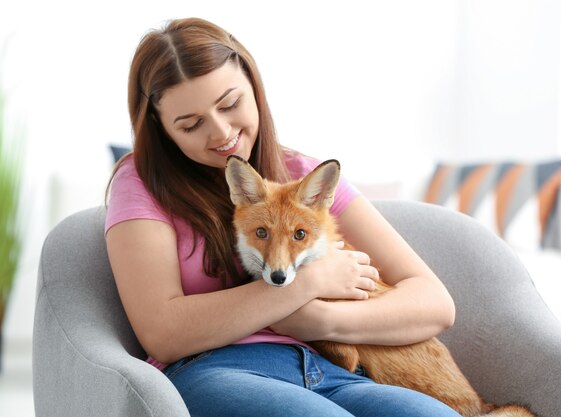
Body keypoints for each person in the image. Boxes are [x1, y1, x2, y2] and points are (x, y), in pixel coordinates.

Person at [105, 17, 459, 417]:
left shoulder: (303, 176)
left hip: (331, 368)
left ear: (254, 87)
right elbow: (163, 333)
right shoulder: (139, 183)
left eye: (230, 104)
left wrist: (323, 320)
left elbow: (435, 304)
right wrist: (309, 282)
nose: (221, 133)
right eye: (191, 124)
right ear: (161, 127)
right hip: (216, 369)